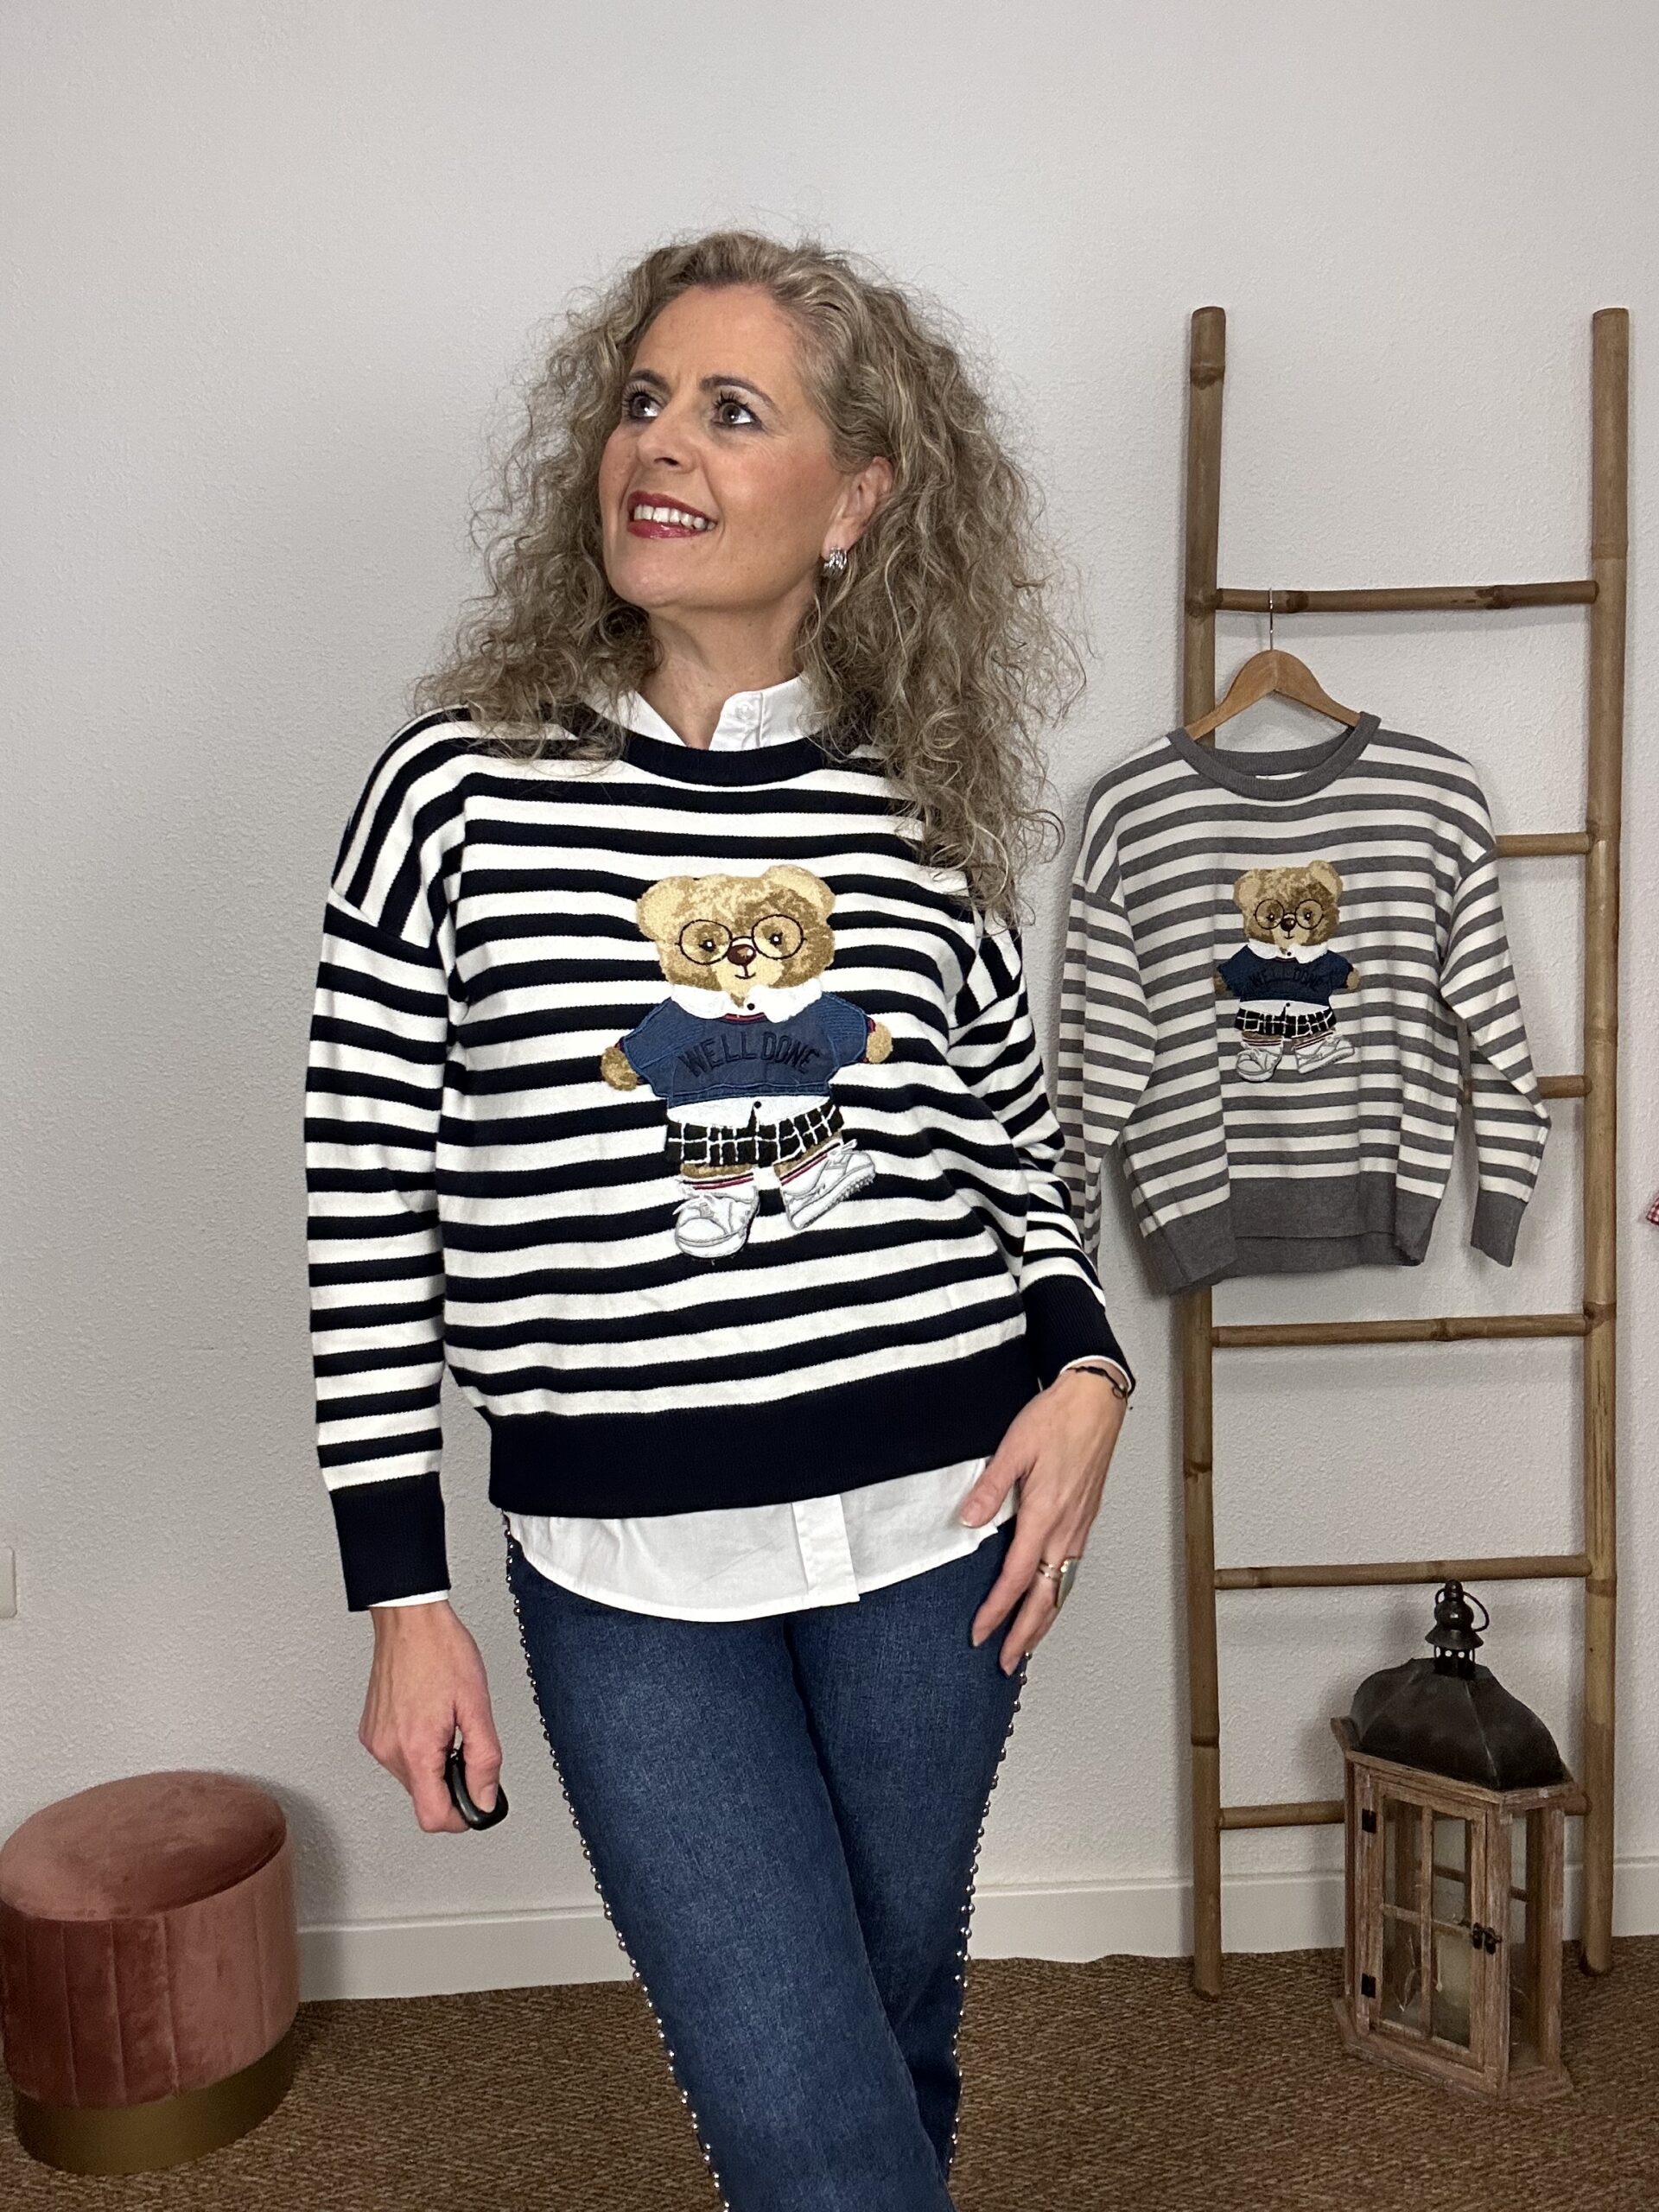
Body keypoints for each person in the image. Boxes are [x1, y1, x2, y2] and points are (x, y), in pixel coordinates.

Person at [305, 227, 1133, 2212]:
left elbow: (1019, 1149)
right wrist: (401, 1592)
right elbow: (364, 1197)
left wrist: (1091, 1367)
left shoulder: (919, 813)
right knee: (797, 2106)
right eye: (643, 398)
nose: (659, 443)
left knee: (888, 2019)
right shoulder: (453, 796)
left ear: (856, 501)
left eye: (733, 409)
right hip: (625, 1564)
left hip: (943, 1525)